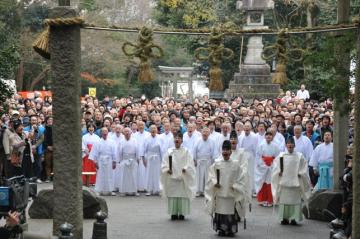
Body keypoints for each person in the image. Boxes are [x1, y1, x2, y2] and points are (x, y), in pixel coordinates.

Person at [205, 140, 248, 237]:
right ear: (221, 151)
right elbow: (211, 175)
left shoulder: (236, 165)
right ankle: (221, 229)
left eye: (227, 150)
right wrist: (215, 182)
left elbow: (241, 177)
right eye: (223, 150)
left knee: (229, 211)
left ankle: (230, 229)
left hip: (231, 193)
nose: (225, 152)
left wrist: (236, 186)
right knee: (220, 211)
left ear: (230, 152)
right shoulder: (217, 164)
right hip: (220, 192)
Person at [271, 137, 311, 225]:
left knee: (295, 201)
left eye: (291, 145)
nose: (290, 146)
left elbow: (304, 167)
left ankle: (294, 218)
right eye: (288, 145)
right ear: (286, 145)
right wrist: (278, 172)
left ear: (294, 145)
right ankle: (284, 218)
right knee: (284, 201)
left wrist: (301, 173)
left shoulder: (299, 156)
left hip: (295, 183)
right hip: (284, 183)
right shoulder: (281, 156)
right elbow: (276, 166)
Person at [160, 130, 196, 220]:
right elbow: (164, 163)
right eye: (175, 138)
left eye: (179, 138)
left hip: (183, 177)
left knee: (182, 195)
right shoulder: (169, 151)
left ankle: (182, 213)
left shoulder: (186, 151)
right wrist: (167, 169)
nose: (177, 139)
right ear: (173, 140)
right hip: (172, 177)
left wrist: (186, 168)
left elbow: (190, 163)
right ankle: (174, 213)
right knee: (173, 195)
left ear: (182, 140)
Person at [88, 127, 117, 196]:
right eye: (103, 132)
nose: (104, 133)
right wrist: (95, 162)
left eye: (106, 131)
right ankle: (99, 190)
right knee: (100, 175)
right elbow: (94, 153)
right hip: (100, 160)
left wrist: (114, 161)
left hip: (109, 160)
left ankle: (110, 190)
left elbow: (114, 152)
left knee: (110, 175)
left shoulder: (112, 142)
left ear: (108, 133)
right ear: (101, 133)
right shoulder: (97, 142)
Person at [255, 131, 280, 207]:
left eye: (270, 135)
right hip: (263, 167)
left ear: (272, 137)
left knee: (270, 183)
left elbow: (277, 157)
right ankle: (263, 200)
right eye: (267, 135)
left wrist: (272, 164)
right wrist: (263, 164)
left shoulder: (276, 146)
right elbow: (258, 156)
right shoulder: (261, 145)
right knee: (263, 183)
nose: (268, 137)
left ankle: (270, 200)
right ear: (265, 137)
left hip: (272, 166)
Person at [193, 127, 216, 197]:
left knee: (207, 177)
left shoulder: (212, 141)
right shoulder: (198, 140)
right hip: (199, 161)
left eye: (207, 132)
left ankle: (206, 191)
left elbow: (213, 153)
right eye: (204, 132)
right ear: (201, 133)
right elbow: (194, 150)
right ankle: (198, 191)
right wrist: (194, 160)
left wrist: (212, 162)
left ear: (209, 133)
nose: (205, 133)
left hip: (208, 161)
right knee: (199, 176)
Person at [117, 127, 139, 196]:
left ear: (131, 132)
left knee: (133, 176)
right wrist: (119, 161)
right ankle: (123, 191)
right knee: (124, 176)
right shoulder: (121, 141)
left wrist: (137, 159)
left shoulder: (135, 140)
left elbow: (138, 151)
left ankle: (134, 191)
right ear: (123, 133)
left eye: (128, 132)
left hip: (133, 160)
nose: (127, 133)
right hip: (124, 160)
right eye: (125, 132)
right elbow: (119, 152)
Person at [144, 125, 162, 196]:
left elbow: (162, 150)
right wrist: (144, 159)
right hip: (149, 157)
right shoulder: (147, 138)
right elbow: (144, 150)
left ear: (157, 130)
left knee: (157, 174)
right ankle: (149, 189)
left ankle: (158, 189)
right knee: (149, 173)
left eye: (154, 128)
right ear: (149, 130)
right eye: (152, 129)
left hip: (157, 158)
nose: (153, 130)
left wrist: (162, 159)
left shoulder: (160, 138)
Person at [133, 121, 150, 193]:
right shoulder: (134, 135)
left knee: (146, 172)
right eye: (139, 125)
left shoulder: (148, 135)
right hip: (137, 156)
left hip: (146, 156)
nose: (141, 126)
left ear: (144, 126)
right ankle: (137, 187)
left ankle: (146, 187)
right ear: (137, 126)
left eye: (142, 125)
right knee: (138, 172)